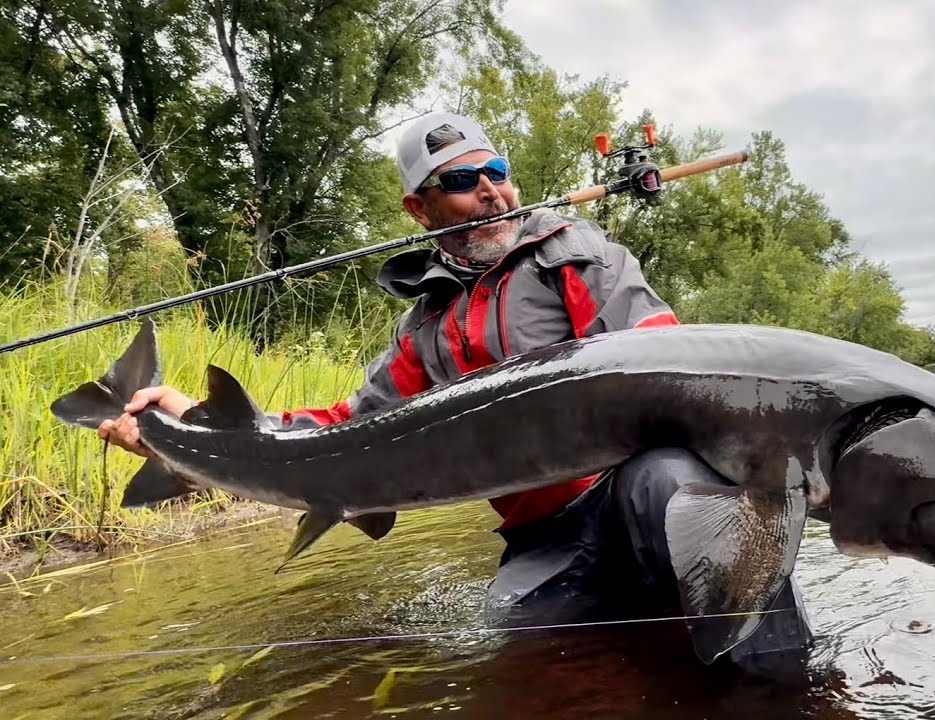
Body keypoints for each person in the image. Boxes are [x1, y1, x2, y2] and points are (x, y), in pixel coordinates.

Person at [96, 111, 814, 674]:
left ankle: (784, 686)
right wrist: (194, 425)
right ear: (421, 208)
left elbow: (673, 360)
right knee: (526, 662)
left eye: (497, 171)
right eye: (463, 181)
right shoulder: (423, 328)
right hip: (545, 538)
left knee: (675, 482)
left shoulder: (580, 256)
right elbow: (346, 428)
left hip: (630, 492)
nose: (490, 191)